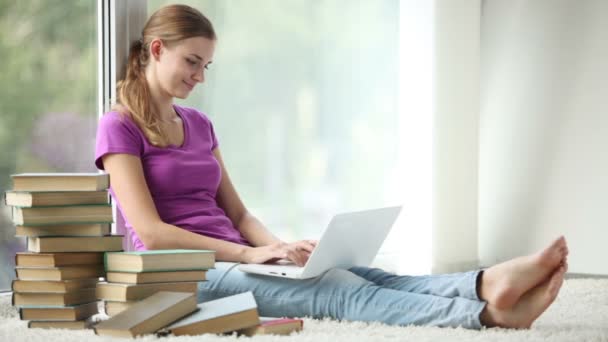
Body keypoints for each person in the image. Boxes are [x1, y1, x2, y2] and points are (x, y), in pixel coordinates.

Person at [95, 4, 569, 329]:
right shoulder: (119, 127)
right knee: (337, 291)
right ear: (156, 50)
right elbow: (152, 234)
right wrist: (245, 255)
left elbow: (239, 217)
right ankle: (485, 316)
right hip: (174, 272)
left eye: (207, 66)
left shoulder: (199, 124)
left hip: (230, 256)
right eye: (191, 62)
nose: (199, 76)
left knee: (357, 272)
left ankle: (483, 283)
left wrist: (279, 249)